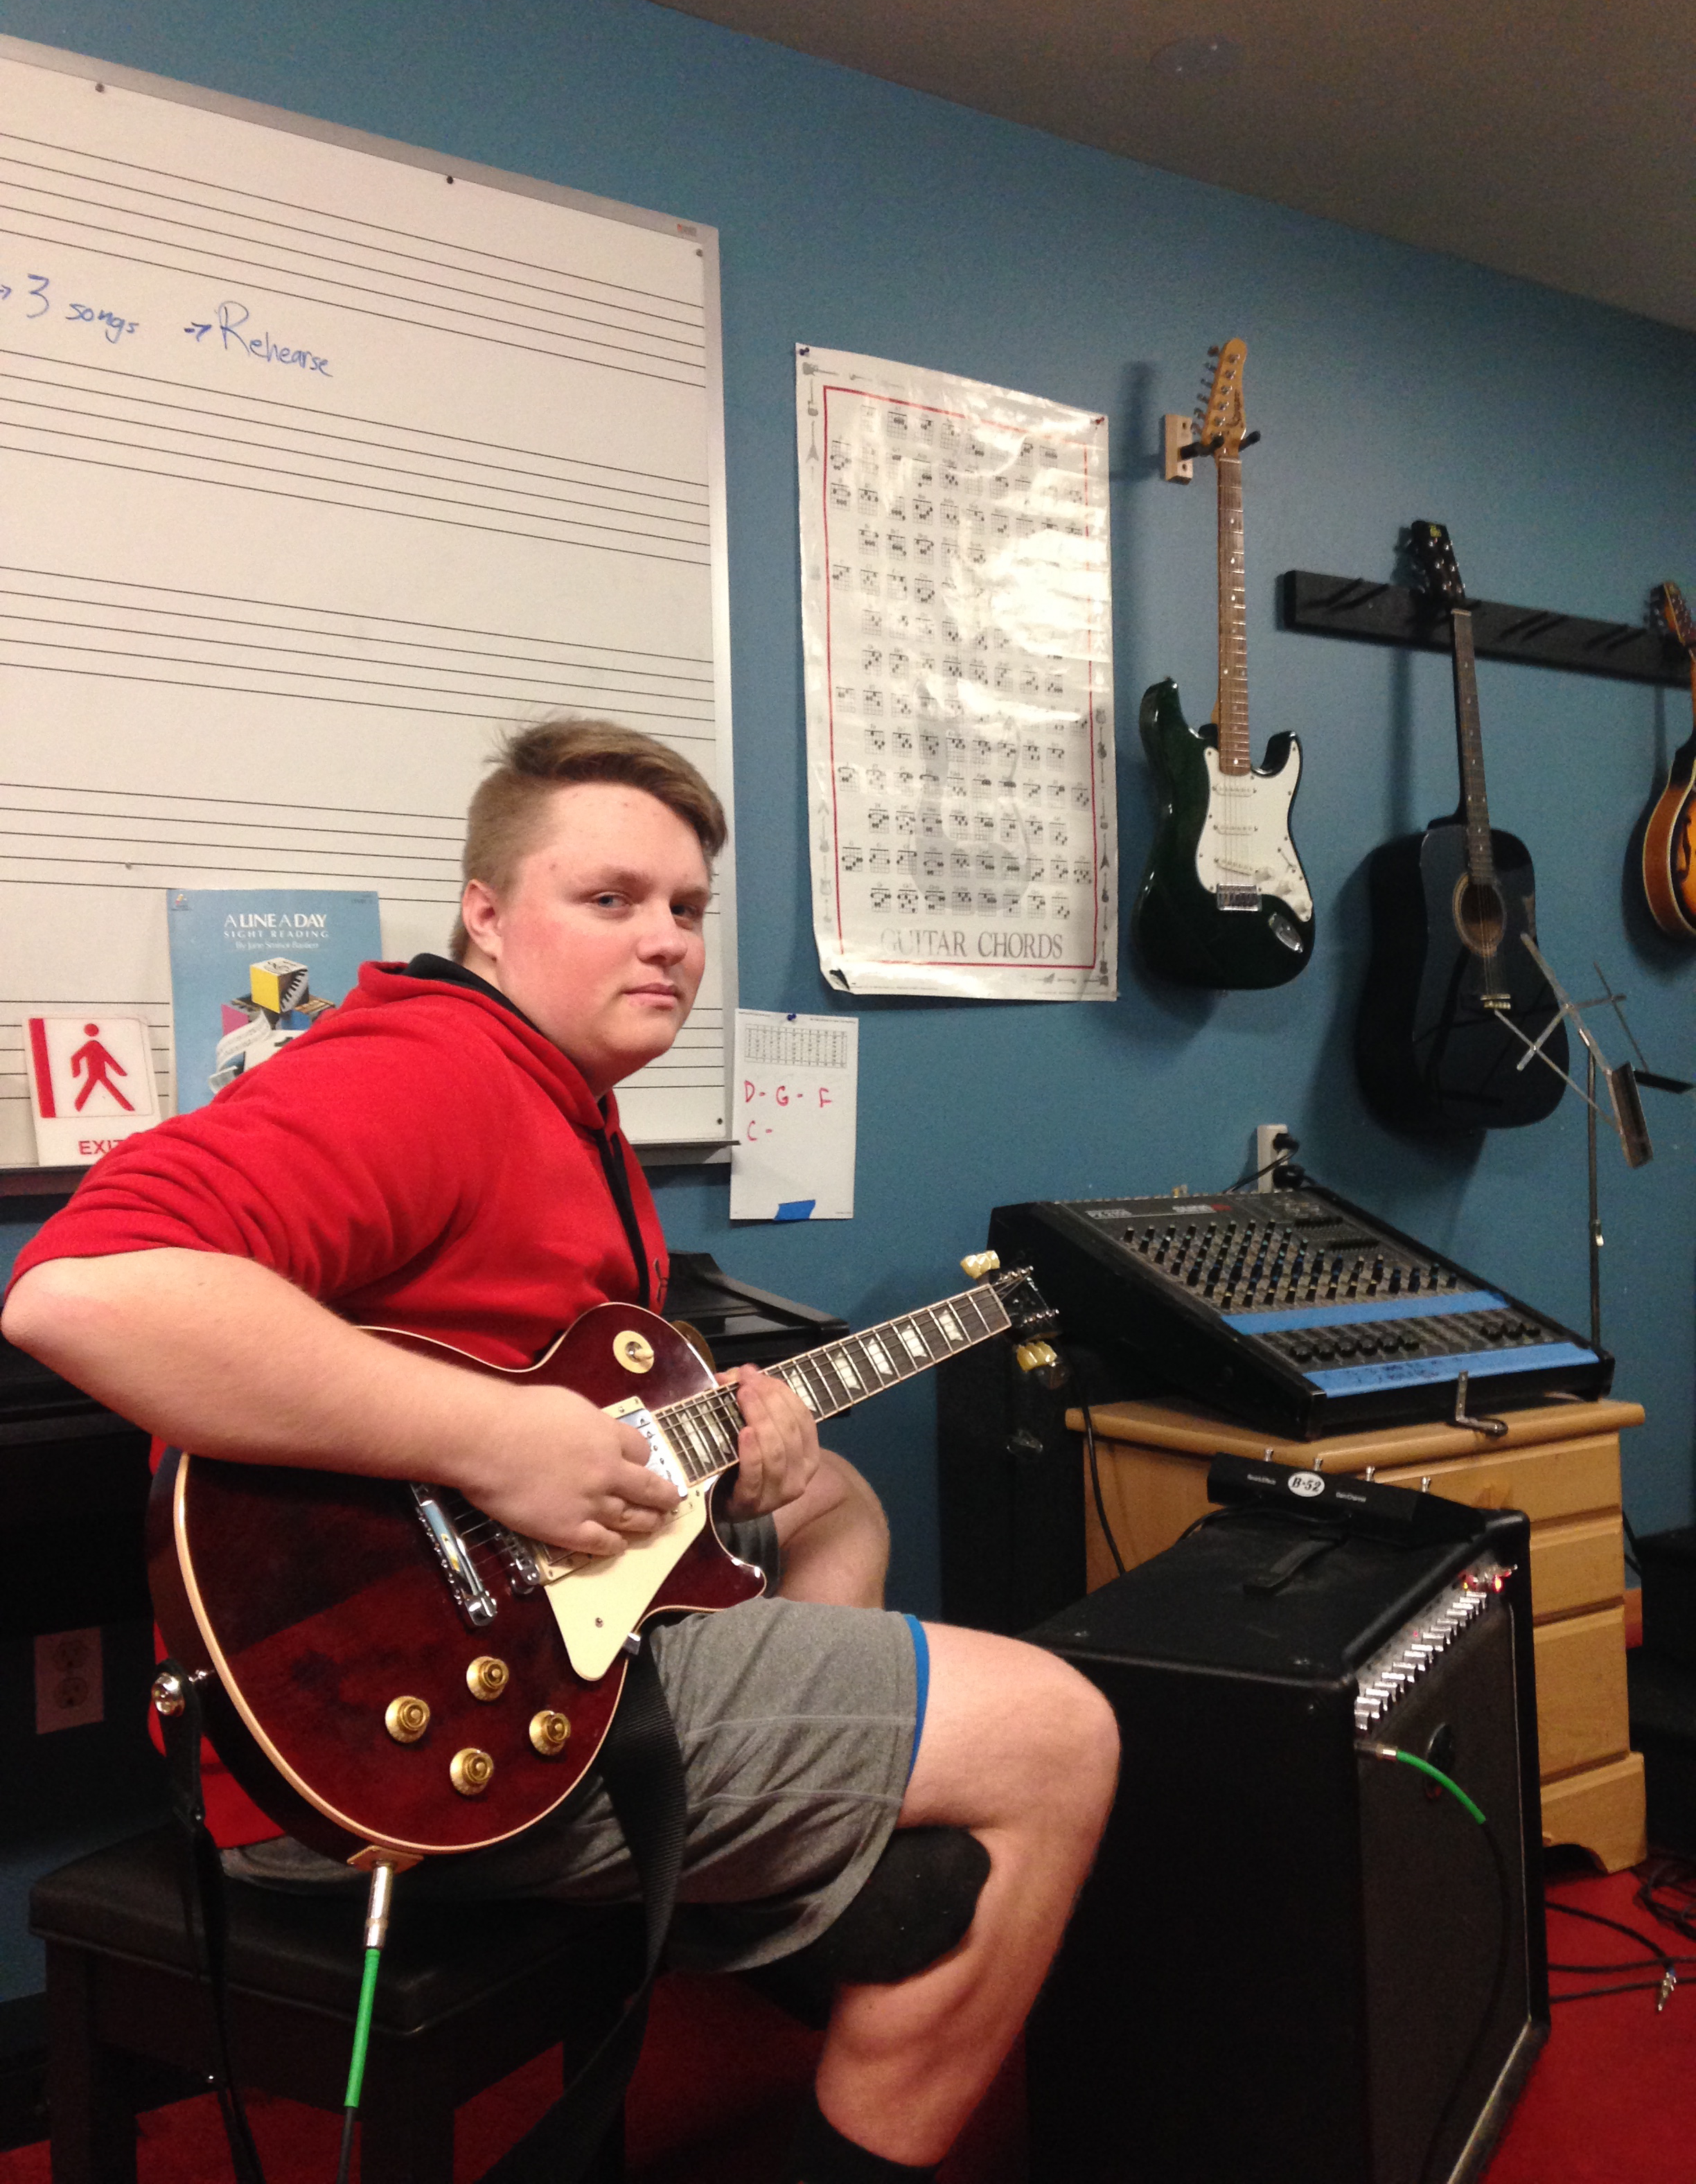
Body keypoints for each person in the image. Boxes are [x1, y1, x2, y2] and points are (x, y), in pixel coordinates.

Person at [3, 718, 1118, 2183]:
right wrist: (491, 1440)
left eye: (687, 910)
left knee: (831, 1497)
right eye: (610, 901)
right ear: (485, 911)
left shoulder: (561, 1101)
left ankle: (772, 1836)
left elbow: (532, 1350)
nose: (665, 942)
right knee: (1059, 1736)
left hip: (517, 1613)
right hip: (373, 1740)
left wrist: (737, 1415)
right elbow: (81, 1289)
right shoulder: (426, 1073)